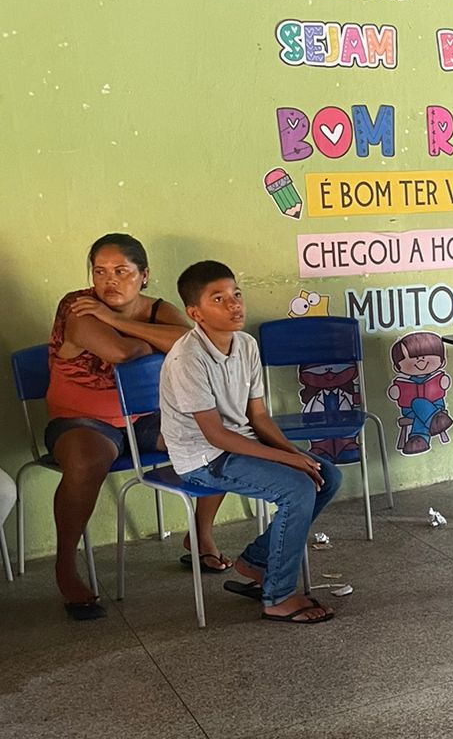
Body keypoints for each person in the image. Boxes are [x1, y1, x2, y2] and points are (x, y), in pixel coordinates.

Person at [45, 233, 226, 619]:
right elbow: (119, 351)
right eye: (100, 271)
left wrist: (116, 322)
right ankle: (65, 566)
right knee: (87, 462)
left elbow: (197, 341)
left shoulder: (157, 308)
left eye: (121, 271)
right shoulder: (78, 306)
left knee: (219, 438)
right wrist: (151, 344)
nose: (109, 281)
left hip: (145, 419)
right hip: (82, 421)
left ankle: (200, 536)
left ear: (144, 275)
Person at [158, 261, 342, 626]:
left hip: (239, 442)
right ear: (195, 313)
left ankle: (257, 561)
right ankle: (278, 597)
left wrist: (293, 454)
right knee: (297, 489)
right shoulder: (186, 358)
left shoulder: (245, 344)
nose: (234, 305)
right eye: (218, 299)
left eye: (236, 294)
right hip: (203, 457)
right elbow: (215, 435)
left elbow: (258, 416)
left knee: (327, 476)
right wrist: (288, 462)